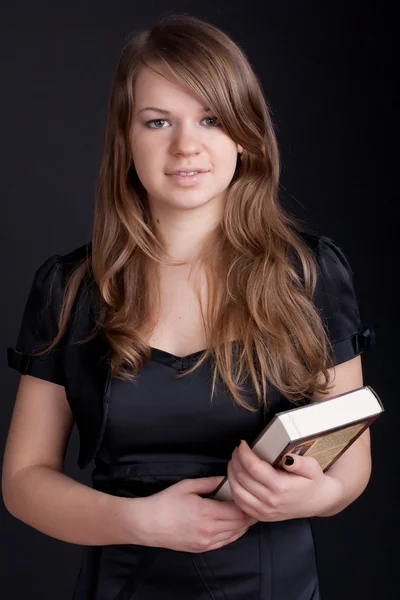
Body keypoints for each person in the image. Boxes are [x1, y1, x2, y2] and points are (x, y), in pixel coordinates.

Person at [2, 14, 376, 600]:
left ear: (245, 136)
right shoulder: (70, 286)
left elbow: (350, 462)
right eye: (158, 122)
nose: (186, 146)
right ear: (126, 139)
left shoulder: (308, 273)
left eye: (211, 119)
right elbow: (23, 481)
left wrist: (317, 495)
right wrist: (138, 521)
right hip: (122, 585)